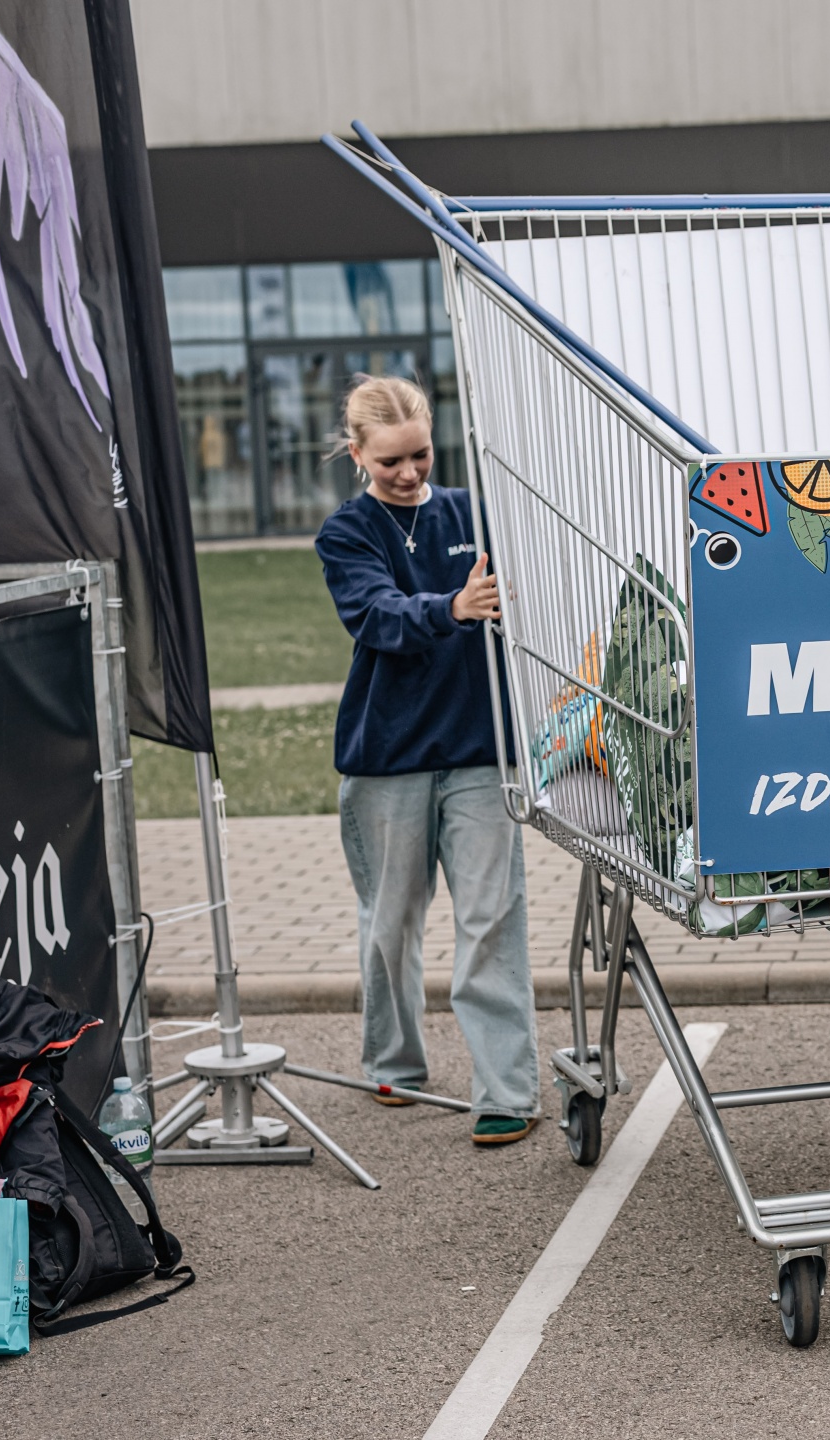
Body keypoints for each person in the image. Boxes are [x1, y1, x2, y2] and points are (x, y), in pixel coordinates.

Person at [315, 375, 542, 1147]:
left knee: (491, 920)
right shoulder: (346, 534)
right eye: (390, 462)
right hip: (388, 759)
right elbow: (375, 615)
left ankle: (506, 1091)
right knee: (391, 924)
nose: (409, 473)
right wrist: (452, 608)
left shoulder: (476, 514)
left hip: (480, 753)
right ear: (357, 455)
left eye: (421, 454)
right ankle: (395, 1064)